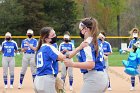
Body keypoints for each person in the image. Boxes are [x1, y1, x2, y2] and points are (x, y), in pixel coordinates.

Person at [34, 27, 85, 93]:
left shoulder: (40, 48)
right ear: (46, 39)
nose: (55, 36)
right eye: (53, 35)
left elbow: (51, 58)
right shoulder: (49, 47)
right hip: (46, 80)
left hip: (37, 79)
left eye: (55, 34)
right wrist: (79, 48)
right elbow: (64, 57)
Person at [64, 17, 108, 93]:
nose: (80, 31)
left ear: (86, 29)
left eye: (81, 29)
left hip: (93, 78)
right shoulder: (95, 40)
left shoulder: (87, 43)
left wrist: (72, 64)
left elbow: (91, 65)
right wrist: (78, 48)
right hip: (102, 77)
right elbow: (69, 56)